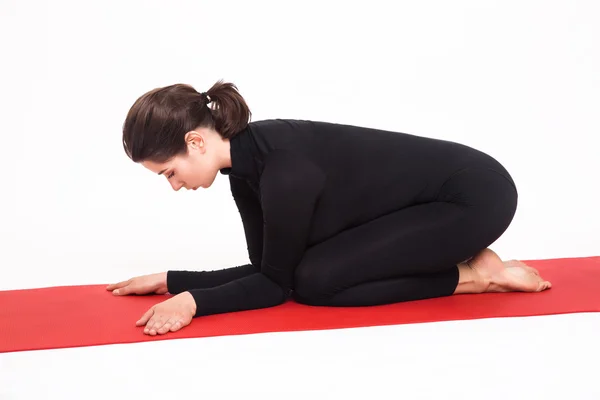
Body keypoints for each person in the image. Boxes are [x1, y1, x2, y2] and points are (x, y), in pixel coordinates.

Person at [107, 80, 551, 336]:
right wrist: (171, 280)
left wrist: (193, 303)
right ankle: (469, 266)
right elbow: (269, 269)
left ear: (195, 142)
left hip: (473, 199)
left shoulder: (283, 168)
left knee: (318, 282)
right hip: (425, 205)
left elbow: (277, 287)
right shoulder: (244, 170)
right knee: (310, 274)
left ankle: (477, 275)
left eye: (168, 172)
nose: (174, 185)